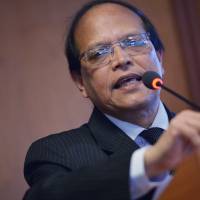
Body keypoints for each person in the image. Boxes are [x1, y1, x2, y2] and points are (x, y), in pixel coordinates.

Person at [23, 0, 200, 200]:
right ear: (80, 81)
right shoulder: (56, 154)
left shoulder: (196, 133)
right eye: (99, 53)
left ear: (159, 59)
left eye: (133, 42)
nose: (121, 59)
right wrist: (149, 163)